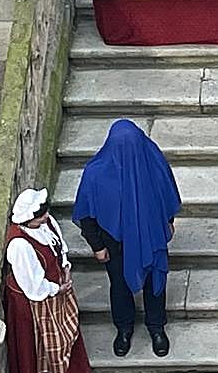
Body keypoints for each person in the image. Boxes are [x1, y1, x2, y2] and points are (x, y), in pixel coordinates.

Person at [73, 120, 182, 358]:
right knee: (120, 286)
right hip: (114, 242)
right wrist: (97, 246)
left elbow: (166, 191)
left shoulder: (153, 162)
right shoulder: (95, 174)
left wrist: (169, 221)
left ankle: (156, 327)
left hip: (151, 234)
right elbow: (87, 213)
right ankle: (124, 329)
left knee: (155, 282)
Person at [4, 187, 91, 373]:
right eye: (39, 215)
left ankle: (67, 372)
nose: (45, 217)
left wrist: (65, 268)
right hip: (32, 302)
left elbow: (59, 248)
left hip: (56, 289)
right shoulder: (20, 245)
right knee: (39, 344)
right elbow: (32, 285)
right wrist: (56, 289)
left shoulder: (46, 222)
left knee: (64, 331)